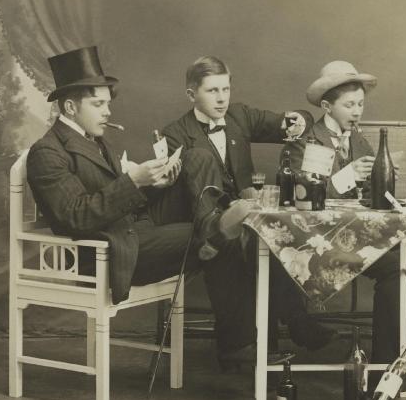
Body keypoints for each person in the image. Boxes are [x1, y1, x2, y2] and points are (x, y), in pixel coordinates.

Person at [26, 47, 286, 368]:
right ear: (69, 106)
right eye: (98, 104)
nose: (108, 112)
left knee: (197, 157)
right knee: (228, 238)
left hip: (135, 227)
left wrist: (156, 183)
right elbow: (76, 217)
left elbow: (117, 198)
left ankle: (214, 230)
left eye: (108, 103)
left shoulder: (93, 139)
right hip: (110, 250)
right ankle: (238, 341)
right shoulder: (47, 153)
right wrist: (133, 181)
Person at [284, 60, 406, 382]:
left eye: (361, 104)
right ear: (327, 106)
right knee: (402, 255)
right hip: (318, 242)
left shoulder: (357, 139)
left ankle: (386, 369)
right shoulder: (306, 140)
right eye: (349, 105)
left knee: (401, 263)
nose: (357, 112)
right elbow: (304, 194)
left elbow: (367, 194)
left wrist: (384, 177)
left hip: (357, 239)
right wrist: (349, 175)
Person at [161, 56, 336, 359]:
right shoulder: (175, 134)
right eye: (212, 91)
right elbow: (172, 194)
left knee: (274, 236)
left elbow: (295, 120)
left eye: (225, 89)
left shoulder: (239, 116)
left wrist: (299, 121)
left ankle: (281, 331)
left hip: (247, 216)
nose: (221, 98)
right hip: (206, 223)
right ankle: (275, 331)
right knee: (238, 243)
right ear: (192, 94)